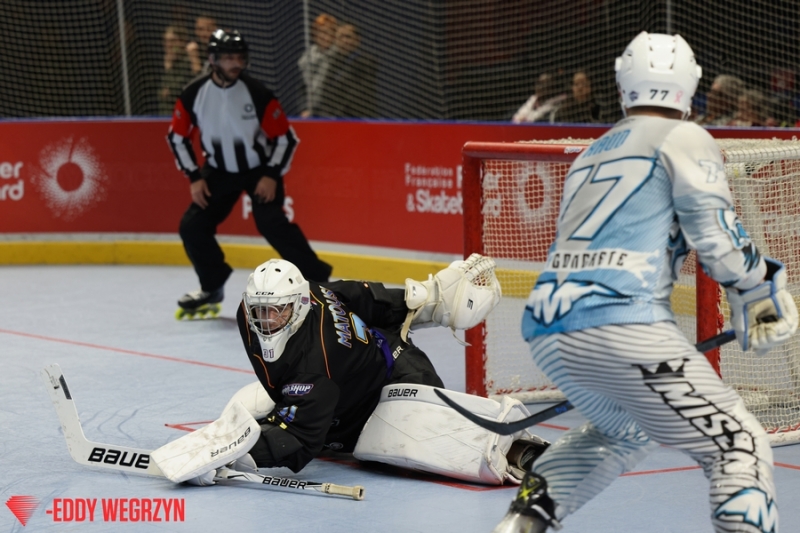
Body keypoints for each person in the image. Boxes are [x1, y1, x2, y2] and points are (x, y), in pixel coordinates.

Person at [494, 32, 798, 533]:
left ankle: (522, 522)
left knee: (624, 431)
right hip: (624, 326)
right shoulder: (685, 136)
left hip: (547, 330)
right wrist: (759, 292)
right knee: (738, 441)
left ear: (622, 84)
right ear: (690, 85)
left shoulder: (592, 153)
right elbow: (716, 236)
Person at [151, 255, 551, 487]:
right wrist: (417, 300)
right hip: (363, 367)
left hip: (400, 386)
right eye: (261, 311)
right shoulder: (298, 299)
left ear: (300, 306)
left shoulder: (317, 363)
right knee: (244, 407)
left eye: (278, 311)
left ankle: (523, 449)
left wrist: (233, 458)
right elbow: (359, 295)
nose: (268, 320)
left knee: (395, 449)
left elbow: (302, 442)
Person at [167, 29, 332, 318]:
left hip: (259, 171)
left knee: (271, 223)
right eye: (228, 58)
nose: (235, 64)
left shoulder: (257, 93)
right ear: (213, 60)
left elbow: (285, 139)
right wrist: (194, 177)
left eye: (239, 58)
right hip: (217, 172)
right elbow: (177, 138)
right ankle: (212, 284)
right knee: (192, 226)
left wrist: (270, 174)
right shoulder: (194, 94)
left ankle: (318, 283)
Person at [315, 23, 378, 118]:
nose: (344, 41)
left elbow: (359, 93)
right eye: (340, 37)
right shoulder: (333, 62)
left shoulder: (367, 61)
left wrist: (337, 113)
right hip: (334, 119)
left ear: (357, 40)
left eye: (348, 37)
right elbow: (325, 91)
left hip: (358, 118)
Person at [297, 14, 339, 118]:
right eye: (319, 32)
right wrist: (304, 109)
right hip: (311, 112)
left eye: (327, 33)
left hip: (334, 113)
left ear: (334, 35)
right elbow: (302, 89)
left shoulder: (339, 57)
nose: (322, 36)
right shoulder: (306, 59)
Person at [158, 26, 193, 116]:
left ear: (182, 42)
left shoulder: (188, 62)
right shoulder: (165, 62)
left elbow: (176, 91)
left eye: (173, 41)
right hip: (165, 115)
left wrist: (168, 69)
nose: (168, 45)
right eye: (166, 41)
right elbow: (161, 94)